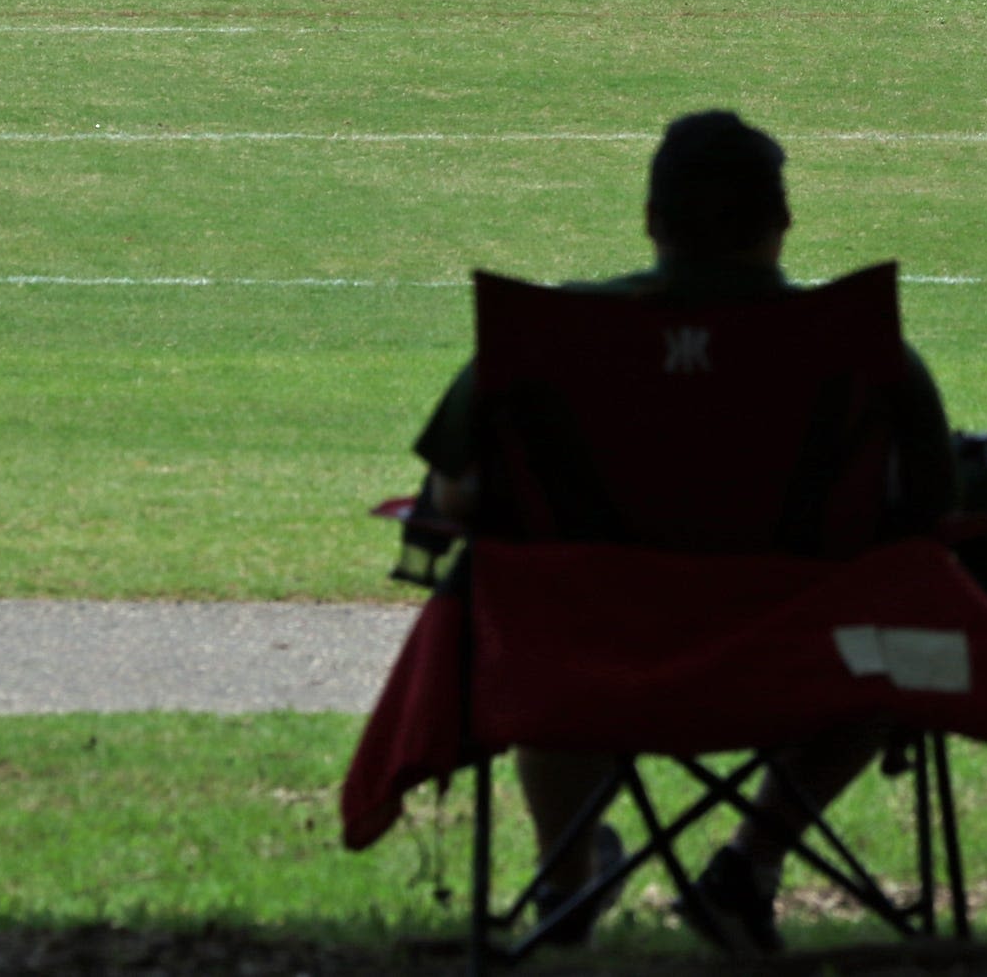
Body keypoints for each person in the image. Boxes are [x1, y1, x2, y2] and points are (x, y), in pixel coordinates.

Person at [410, 110, 958, 954]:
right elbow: (935, 508)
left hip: (584, 661)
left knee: (536, 599)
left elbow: (455, 496)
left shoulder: (544, 342)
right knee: (910, 616)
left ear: (652, 222)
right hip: (801, 663)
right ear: (781, 224)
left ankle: (566, 884)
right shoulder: (861, 350)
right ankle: (751, 860)